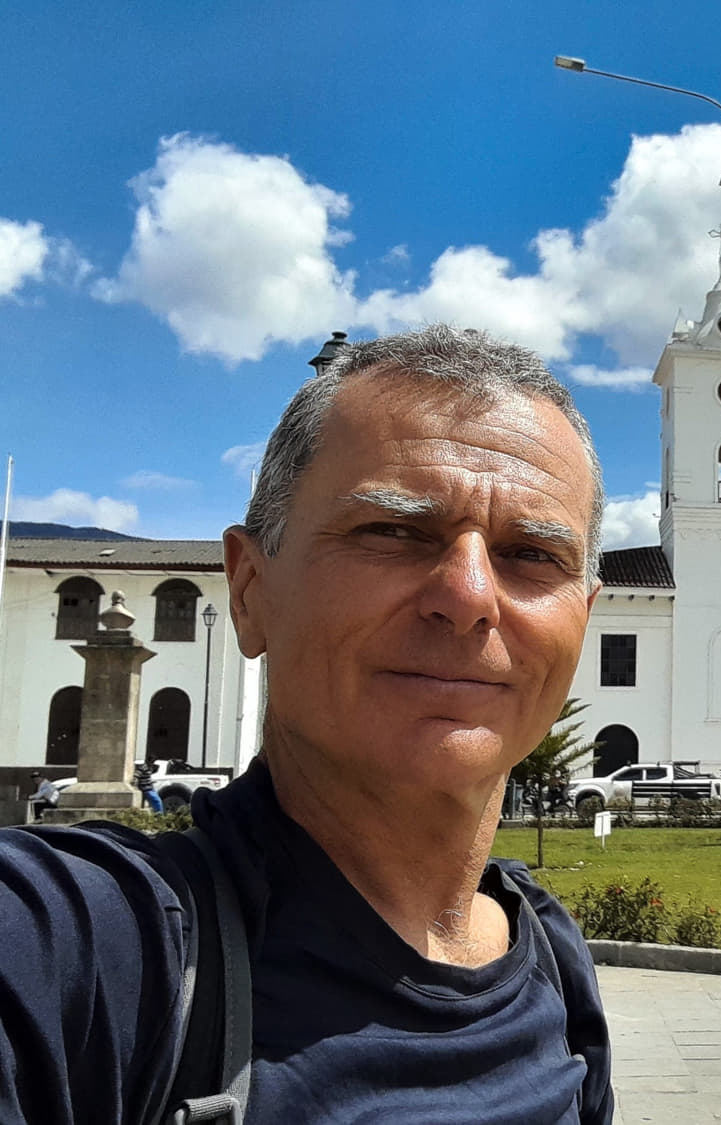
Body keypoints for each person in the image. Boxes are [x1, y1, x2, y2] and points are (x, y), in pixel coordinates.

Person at [0, 326, 614, 1122]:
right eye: (392, 531)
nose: (468, 596)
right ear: (250, 590)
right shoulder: (84, 946)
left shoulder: (554, 960)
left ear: (582, 622)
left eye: (532, 554)